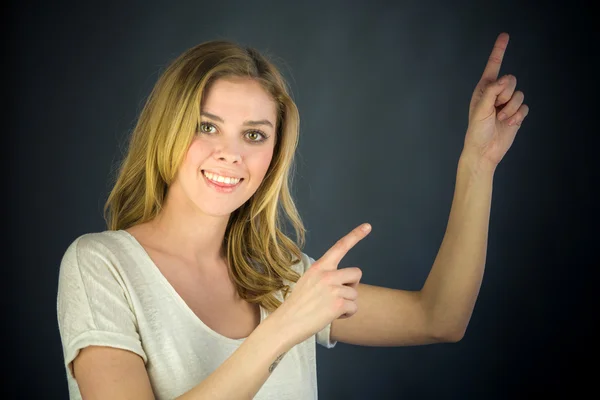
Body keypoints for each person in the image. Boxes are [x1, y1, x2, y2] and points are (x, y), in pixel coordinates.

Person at [56, 32, 529, 399]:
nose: (231, 155)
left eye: (255, 135)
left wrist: (478, 163)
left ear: (275, 153)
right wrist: (283, 328)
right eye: (207, 127)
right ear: (168, 128)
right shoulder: (101, 265)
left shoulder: (282, 278)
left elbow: (439, 317)